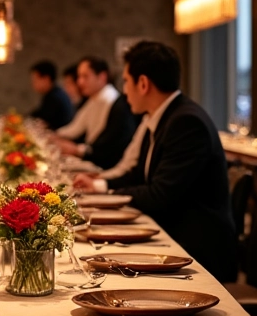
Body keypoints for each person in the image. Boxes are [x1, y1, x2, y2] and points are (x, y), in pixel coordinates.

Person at [84, 40, 236, 282]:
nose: (124, 91)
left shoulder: (186, 123)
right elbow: (138, 175)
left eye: (126, 81)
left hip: (197, 250)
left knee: (98, 267)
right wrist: (99, 187)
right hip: (174, 233)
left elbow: (160, 194)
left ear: (143, 83)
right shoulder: (163, 117)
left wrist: (106, 192)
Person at [54, 56, 135, 170]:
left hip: (104, 165)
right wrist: (54, 136)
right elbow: (77, 128)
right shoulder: (95, 98)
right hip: (95, 158)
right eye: (79, 77)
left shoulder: (111, 100)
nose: (79, 82)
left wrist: (78, 150)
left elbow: (105, 145)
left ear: (102, 77)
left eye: (85, 76)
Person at [29, 60, 75, 130]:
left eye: (35, 80)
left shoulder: (55, 97)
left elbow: (41, 119)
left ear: (46, 79)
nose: (33, 84)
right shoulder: (54, 93)